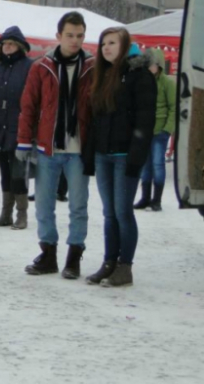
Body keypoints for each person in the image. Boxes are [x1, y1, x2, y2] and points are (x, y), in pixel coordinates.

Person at [16, 12, 94, 278]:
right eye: (70, 35)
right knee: (44, 205)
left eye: (80, 36)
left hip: (79, 151)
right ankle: (48, 254)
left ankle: (74, 257)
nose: (75, 41)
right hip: (48, 149)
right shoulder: (41, 67)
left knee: (78, 206)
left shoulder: (92, 68)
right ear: (58, 36)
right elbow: (28, 106)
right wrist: (24, 141)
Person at [83, 30, 156, 288]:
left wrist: (137, 157)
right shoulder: (102, 76)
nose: (106, 48)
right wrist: (91, 154)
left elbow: (145, 120)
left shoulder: (140, 76)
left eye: (112, 43)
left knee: (123, 212)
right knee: (109, 213)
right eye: (103, 43)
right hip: (104, 154)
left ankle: (125, 267)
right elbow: (96, 120)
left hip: (126, 156)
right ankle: (109, 263)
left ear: (125, 46)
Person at [0, 26, 34, 229]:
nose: (7, 47)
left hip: (18, 125)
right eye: (4, 44)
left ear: (19, 46)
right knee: (4, 170)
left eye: (11, 44)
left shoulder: (29, 67)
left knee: (18, 170)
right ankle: (6, 212)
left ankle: (21, 213)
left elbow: (33, 98)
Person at [135, 48, 176, 211]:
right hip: (145, 131)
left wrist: (167, 129)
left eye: (151, 64)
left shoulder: (167, 83)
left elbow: (173, 108)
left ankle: (156, 200)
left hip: (160, 131)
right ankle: (145, 198)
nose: (149, 67)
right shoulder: (142, 81)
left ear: (158, 65)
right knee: (145, 165)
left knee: (158, 164)